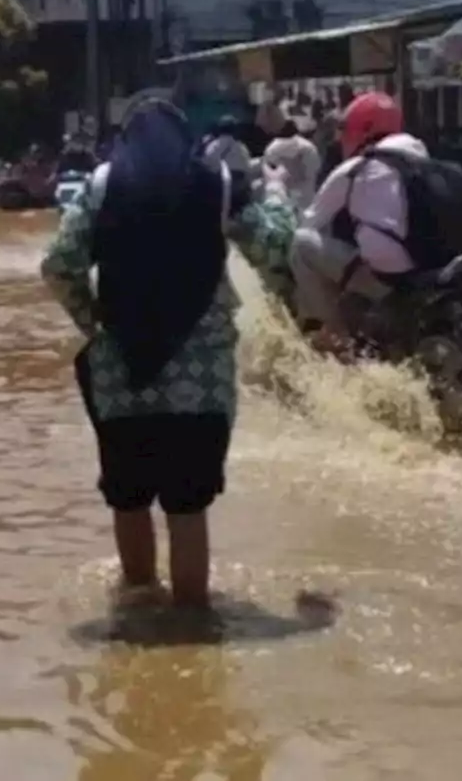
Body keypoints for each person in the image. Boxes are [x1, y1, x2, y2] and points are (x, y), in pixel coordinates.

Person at [41, 96, 284, 609]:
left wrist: (96, 322)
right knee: (187, 507)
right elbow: (274, 249)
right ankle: (194, 628)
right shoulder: (217, 185)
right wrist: (278, 195)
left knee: (128, 499)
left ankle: (140, 613)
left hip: (121, 373)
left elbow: (59, 264)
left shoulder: (102, 185)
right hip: (201, 379)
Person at [288, 92, 426, 352]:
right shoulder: (426, 161)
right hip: (433, 275)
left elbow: (310, 224)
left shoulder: (356, 168)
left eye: (345, 130)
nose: (341, 139)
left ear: (363, 128)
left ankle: (335, 338)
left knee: (301, 244)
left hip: (389, 282)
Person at [263, 120, 322, 210]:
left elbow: (268, 169)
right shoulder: (309, 148)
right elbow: (314, 170)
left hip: (280, 199)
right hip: (304, 199)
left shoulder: (272, 147)